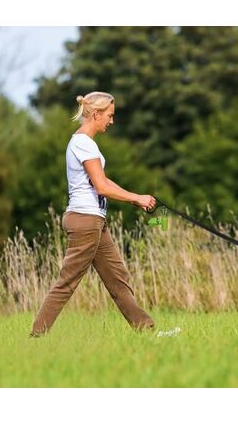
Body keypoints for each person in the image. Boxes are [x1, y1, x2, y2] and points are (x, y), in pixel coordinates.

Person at [30, 91, 156, 336]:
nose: (111, 121)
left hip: (94, 220)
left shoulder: (85, 143)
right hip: (85, 221)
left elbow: (103, 180)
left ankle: (147, 330)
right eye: (110, 115)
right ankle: (36, 336)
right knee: (67, 282)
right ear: (96, 114)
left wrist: (135, 199)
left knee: (118, 279)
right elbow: (101, 186)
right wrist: (136, 197)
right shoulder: (83, 143)